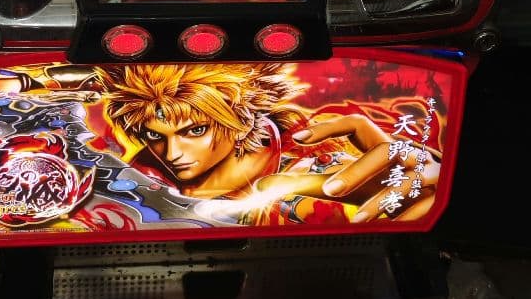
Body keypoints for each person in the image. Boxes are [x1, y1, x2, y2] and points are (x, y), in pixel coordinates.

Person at [93, 62, 441, 224]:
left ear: (242, 120)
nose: (172, 154)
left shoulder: (319, 151)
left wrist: (430, 191)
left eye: (195, 131)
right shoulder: (129, 182)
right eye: (156, 136)